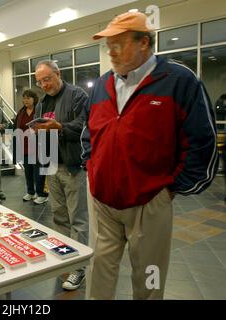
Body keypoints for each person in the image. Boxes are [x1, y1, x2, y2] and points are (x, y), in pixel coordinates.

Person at [82, 11, 218, 300]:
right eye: (108, 44)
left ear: (144, 42)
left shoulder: (178, 81)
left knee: (150, 278)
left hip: (150, 201)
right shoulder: (103, 85)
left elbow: (201, 140)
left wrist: (171, 188)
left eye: (118, 43)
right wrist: (90, 165)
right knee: (98, 272)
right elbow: (88, 132)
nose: (111, 51)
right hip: (102, 201)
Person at [32, 60, 89, 291]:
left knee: (78, 218)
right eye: (40, 81)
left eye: (47, 79)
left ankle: (79, 267)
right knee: (59, 216)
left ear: (58, 74)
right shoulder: (42, 103)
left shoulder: (77, 95)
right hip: (53, 166)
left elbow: (85, 125)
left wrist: (60, 128)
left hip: (74, 166)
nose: (44, 85)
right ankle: (65, 256)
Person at [13, 89, 49, 203]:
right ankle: (30, 192)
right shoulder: (21, 112)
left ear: (34, 99)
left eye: (28, 98)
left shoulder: (39, 110)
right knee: (28, 170)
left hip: (38, 145)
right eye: (24, 98)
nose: (25, 100)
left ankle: (42, 194)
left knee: (38, 171)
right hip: (24, 146)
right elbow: (16, 127)